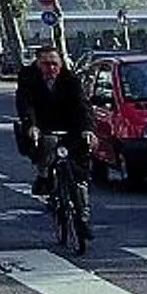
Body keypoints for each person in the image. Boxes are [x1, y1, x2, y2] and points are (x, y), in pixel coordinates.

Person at [13, 39, 92, 198]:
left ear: (61, 63)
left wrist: (87, 129)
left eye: (54, 63)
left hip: (68, 124)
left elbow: (82, 105)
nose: (51, 68)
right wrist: (31, 126)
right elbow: (25, 102)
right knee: (46, 145)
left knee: (83, 149)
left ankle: (80, 192)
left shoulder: (71, 79)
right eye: (46, 64)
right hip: (42, 124)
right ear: (37, 64)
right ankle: (44, 176)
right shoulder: (28, 77)